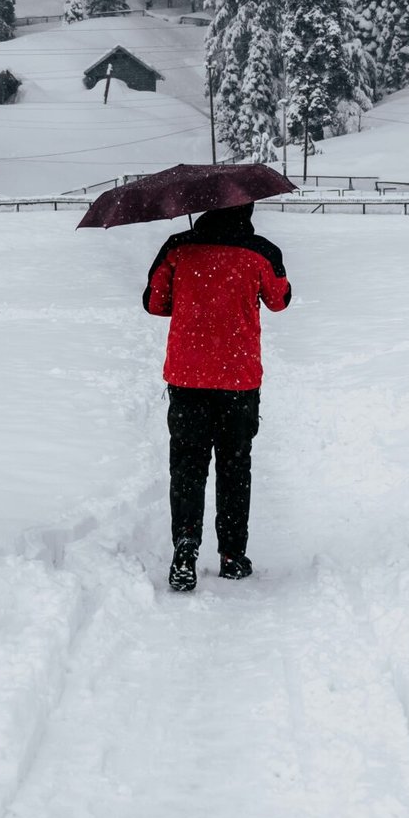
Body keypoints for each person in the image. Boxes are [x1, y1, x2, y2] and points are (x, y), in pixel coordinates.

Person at [143, 202, 292, 592]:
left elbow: (154, 303)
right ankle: (232, 556)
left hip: (188, 377)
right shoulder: (261, 250)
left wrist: (191, 295)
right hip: (238, 379)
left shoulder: (178, 247)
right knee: (234, 466)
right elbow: (279, 300)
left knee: (188, 466)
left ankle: (186, 545)